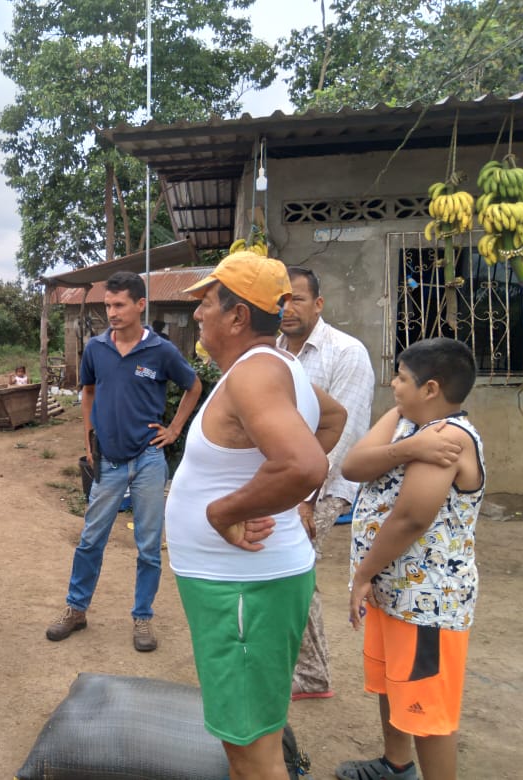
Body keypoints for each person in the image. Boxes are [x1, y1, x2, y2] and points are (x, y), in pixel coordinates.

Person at [164, 251, 347, 780]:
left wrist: (224, 510)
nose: (198, 312)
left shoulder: (256, 374)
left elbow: (304, 463)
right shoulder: (276, 367)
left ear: (238, 316)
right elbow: (331, 420)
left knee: (253, 756)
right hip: (242, 586)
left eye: (207, 302)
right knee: (247, 740)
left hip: (244, 590)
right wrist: (271, 493)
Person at [336, 337, 483, 780]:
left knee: (427, 711)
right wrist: (407, 449)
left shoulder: (449, 437)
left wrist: (363, 575)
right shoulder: (406, 422)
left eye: (401, 378)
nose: (394, 385)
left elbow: (411, 518)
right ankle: (395, 765)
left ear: (430, 388)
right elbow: (353, 466)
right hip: (395, 594)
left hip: (427, 603)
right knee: (394, 684)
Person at [46, 270, 202, 652]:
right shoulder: (97, 349)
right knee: (90, 539)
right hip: (109, 461)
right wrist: (88, 437)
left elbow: (194, 386)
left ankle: (142, 617)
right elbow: (88, 392)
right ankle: (76, 609)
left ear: (140, 305)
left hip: (148, 458)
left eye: (119, 305)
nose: (112, 312)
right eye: (108, 305)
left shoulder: (161, 351)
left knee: (148, 545)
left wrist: (174, 430)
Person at [277, 265, 375, 700]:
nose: (287, 308)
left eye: (297, 299)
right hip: (285, 481)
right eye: (281, 300)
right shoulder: (276, 352)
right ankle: (309, 671)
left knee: (292, 570)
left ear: (318, 304)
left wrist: (305, 499)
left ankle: (312, 675)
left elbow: (343, 437)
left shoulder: (346, 353)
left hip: (324, 486)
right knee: (294, 572)